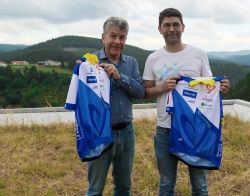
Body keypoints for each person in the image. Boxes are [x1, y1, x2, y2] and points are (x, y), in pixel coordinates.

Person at [142, 8, 230, 195]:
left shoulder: (198, 54)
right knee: (166, 184)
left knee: (199, 184)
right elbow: (144, 92)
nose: (171, 29)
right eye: (167, 25)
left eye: (175, 24)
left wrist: (221, 88)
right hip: (165, 129)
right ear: (160, 29)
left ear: (183, 27)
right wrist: (162, 88)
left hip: (196, 128)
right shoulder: (153, 58)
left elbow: (210, 86)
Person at [86, 16, 145, 196]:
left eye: (122, 37)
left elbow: (140, 92)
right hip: (100, 133)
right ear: (103, 37)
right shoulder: (90, 62)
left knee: (123, 187)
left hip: (127, 133)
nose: (117, 42)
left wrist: (120, 77)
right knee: (95, 189)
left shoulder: (131, 63)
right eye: (113, 36)